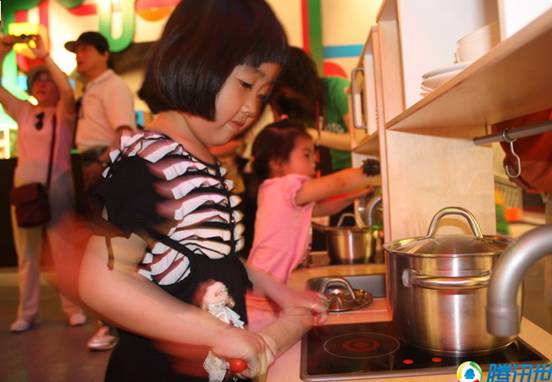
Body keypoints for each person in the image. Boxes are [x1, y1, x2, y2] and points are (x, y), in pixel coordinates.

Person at [77, 1, 326, 381]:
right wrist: (216, 331)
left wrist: (282, 294)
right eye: (245, 84)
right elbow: (101, 280)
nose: (250, 108)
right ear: (192, 60)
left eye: (262, 94)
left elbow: (216, 257)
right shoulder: (148, 162)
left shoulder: (201, 160)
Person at [0, 35, 87, 332]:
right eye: (37, 79)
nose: (43, 84)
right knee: (27, 256)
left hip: (58, 190)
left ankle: (72, 308)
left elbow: (67, 90)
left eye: (47, 79)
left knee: (64, 254)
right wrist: (3, 52)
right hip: (26, 193)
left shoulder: (64, 113)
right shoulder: (23, 110)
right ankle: (27, 312)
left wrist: (44, 56)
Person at [64, 30, 136, 350]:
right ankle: (113, 322)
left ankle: (113, 325)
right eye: (76, 50)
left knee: (108, 247)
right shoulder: (90, 87)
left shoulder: (113, 85)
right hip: (91, 164)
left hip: (104, 165)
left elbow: (124, 132)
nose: (80, 55)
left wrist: (103, 165)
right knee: (100, 245)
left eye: (86, 49)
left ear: (104, 53)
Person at [246, 119, 379, 284]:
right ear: (277, 163)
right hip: (268, 279)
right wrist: (374, 170)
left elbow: (320, 209)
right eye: (306, 155)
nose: (314, 160)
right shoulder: (284, 186)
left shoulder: (274, 192)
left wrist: (350, 197)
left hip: (266, 277)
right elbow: (339, 182)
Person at [269, 46, 356, 174]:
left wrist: (315, 136)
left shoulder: (337, 89)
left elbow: (357, 141)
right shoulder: (286, 105)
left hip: (351, 168)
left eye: (282, 88)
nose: (283, 93)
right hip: (315, 175)